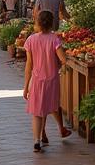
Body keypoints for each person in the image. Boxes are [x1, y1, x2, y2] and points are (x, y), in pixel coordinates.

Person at [23, 9, 72, 152]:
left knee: (37, 112)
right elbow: (63, 59)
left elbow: (29, 65)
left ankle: (37, 141)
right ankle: (52, 132)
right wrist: (56, 63)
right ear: (52, 24)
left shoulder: (31, 40)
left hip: (37, 80)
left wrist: (26, 86)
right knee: (50, 107)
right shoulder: (55, 39)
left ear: (38, 23)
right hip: (52, 79)